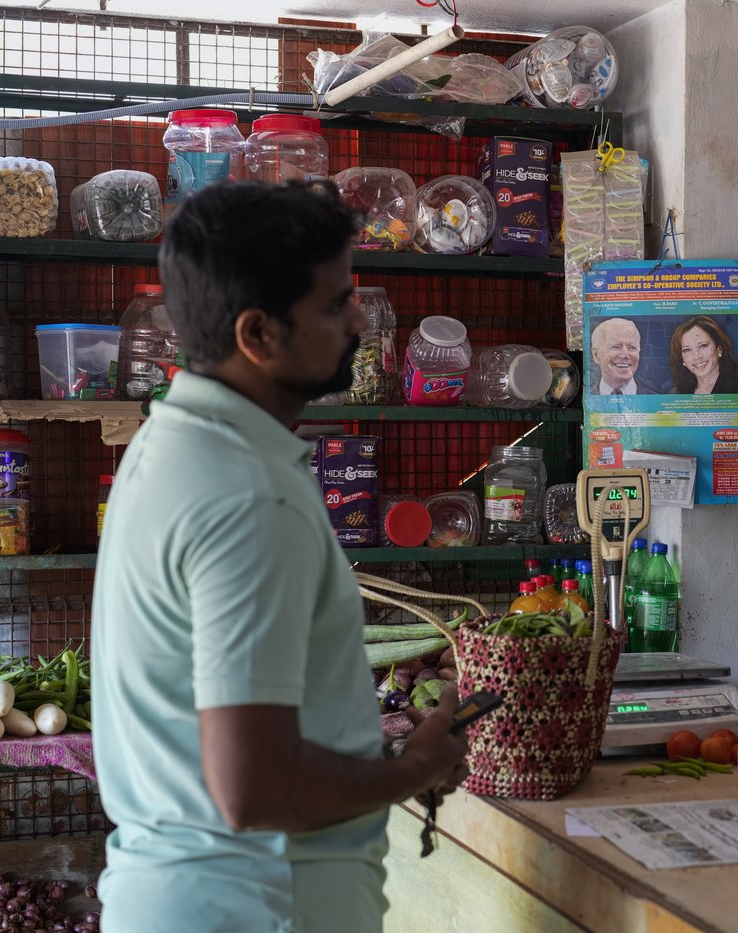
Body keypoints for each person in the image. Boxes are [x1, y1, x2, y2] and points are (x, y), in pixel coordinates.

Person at [91, 181, 470, 933]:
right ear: (257, 333)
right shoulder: (246, 498)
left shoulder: (173, 446)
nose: (359, 319)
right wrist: (412, 768)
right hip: (256, 905)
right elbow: (253, 788)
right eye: (334, 306)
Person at [669, 315, 738, 394]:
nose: (697, 356)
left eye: (702, 346)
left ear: (719, 349)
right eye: (687, 350)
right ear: (682, 358)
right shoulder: (675, 394)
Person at [589, 317, 652, 395]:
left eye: (632, 348)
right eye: (616, 347)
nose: (625, 355)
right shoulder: (586, 398)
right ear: (596, 355)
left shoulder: (657, 401)